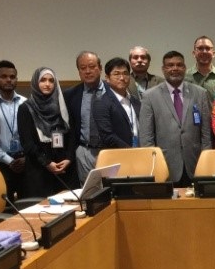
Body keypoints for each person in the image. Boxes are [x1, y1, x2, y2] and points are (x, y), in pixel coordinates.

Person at [140, 51, 212, 186]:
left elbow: (206, 133)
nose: (175, 68)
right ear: (163, 69)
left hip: (195, 163)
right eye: (170, 65)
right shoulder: (149, 96)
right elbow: (146, 137)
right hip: (165, 165)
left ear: (184, 68)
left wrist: (205, 161)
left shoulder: (200, 93)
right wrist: (154, 166)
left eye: (179, 65)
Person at [18, 67, 78, 196]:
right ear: (35, 83)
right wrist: (47, 163)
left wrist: (69, 158)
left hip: (64, 167)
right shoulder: (25, 109)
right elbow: (27, 142)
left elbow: (72, 135)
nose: (47, 84)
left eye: (51, 81)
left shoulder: (63, 106)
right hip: (39, 169)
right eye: (43, 80)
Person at [64, 51, 109, 185]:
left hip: (109, 150)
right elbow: (70, 127)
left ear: (100, 68)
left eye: (92, 66)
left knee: (112, 189)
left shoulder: (113, 90)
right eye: (83, 68)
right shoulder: (70, 95)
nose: (87, 71)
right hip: (84, 150)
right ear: (79, 71)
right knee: (88, 191)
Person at [0, 60, 28, 199]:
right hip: (1, 163)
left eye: (12, 77)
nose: (8, 80)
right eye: (4, 76)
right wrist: (8, 160)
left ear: (16, 79)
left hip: (24, 162)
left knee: (29, 204)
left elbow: (32, 135)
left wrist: (26, 158)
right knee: (4, 204)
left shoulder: (25, 103)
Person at [93, 57, 141, 149]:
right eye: (116, 74)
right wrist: (129, 151)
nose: (122, 78)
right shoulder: (101, 103)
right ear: (107, 78)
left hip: (140, 150)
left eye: (125, 73)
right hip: (117, 153)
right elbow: (107, 136)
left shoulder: (135, 101)